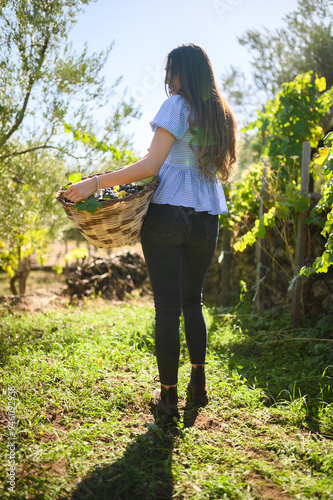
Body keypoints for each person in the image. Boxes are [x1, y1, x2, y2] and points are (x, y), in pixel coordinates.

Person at [64, 43, 237, 424]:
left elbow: (152, 164)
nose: (167, 79)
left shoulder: (177, 105)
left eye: (172, 71)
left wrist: (95, 182)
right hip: (208, 218)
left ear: (186, 74)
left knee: (168, 308)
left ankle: (169, 401)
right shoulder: (221, 114)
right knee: (194, 302)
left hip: (169, 214)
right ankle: (199, 386)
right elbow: (198, 163)